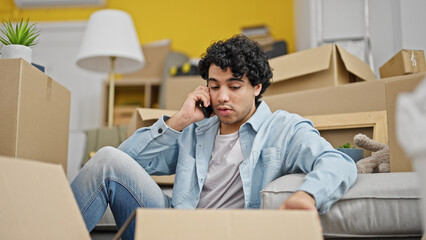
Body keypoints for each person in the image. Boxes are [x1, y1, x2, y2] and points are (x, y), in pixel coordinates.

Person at [71, 35, 357, 239]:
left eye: (234, 86)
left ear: (257, 87)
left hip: (228, 232)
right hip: (171, 227)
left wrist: (308, 195)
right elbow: (126, 161)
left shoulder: (284, 128)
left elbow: (337, 161)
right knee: (107, 157)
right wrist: (180, 120)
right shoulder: (195, 129)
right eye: (214, 86)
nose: (222, 97)